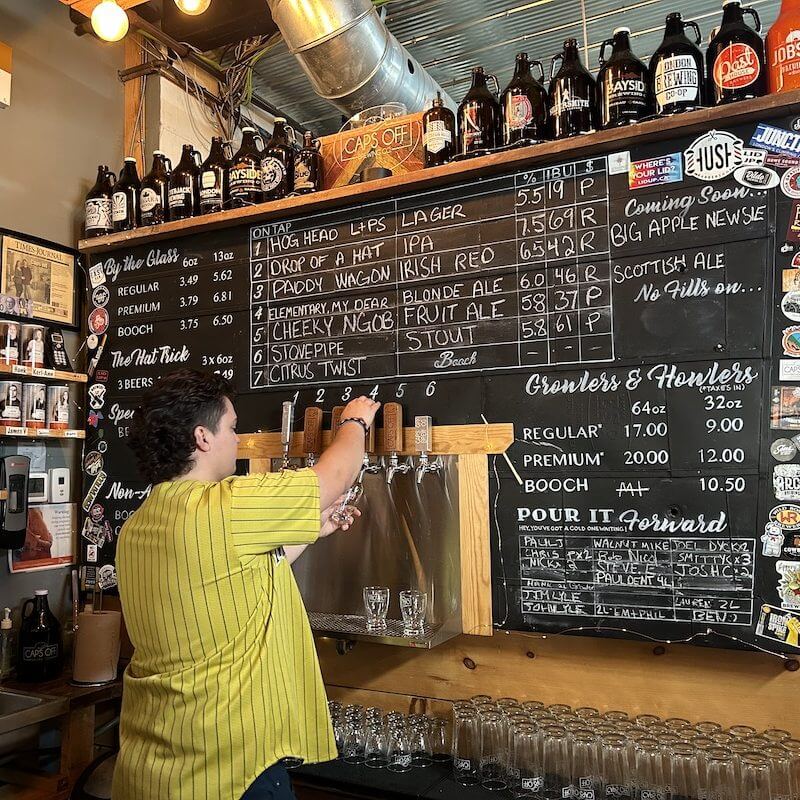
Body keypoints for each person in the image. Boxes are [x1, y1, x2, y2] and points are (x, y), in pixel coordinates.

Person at [113, 369, 380, 800]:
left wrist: (313, 528)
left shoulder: (138, 525)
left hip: (152, 770)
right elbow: (333, 478)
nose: (238, 439)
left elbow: (233, 574)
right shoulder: (227, 504)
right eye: (233, 428)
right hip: (232, 769)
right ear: (202, 437)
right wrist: (355, 423)